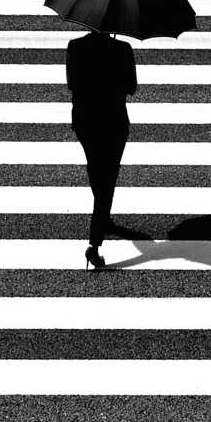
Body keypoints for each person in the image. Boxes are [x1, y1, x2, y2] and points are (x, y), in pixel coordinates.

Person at [66, 29, 138, 269]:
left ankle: (103, 216)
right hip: (113, 120)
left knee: (96, 170)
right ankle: (94, 244)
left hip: (86, 120)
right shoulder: (122, 50)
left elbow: (71, 84)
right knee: (109, 177)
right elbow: (131, 87)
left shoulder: (75, 46)